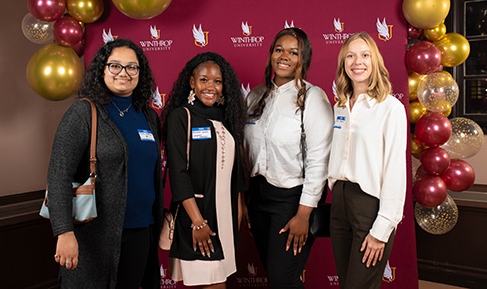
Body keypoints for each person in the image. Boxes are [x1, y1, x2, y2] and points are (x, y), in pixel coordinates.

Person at [46, 38, 163, 288]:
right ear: (102, 69)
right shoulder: (83, 113)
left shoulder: (149, 116)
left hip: (141, 231)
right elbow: (59, 175)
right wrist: (64, 231)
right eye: (115, 66)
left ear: (140, 73)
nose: (124, 73)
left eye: (132, 67)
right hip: (94, 236)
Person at [243, 27, 333, 288]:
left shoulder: (313, 97)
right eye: (279, 49)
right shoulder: (256, 95)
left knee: (283, 280)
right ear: (271, 53)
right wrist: (246, 199)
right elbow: (247, 153)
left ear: (303, 59)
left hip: (292, 201)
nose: (284, 56)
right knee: (275, 276)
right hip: (258, 198)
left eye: (294, 52)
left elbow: (319, 159)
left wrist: (304, 213)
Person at [327, 32, 407, 289]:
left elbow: (396, 170)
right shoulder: (339, 106)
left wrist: (382, 228)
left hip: (368, 204)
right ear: (343, 63)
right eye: (350, 55)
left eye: (364, 55)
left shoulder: (390, 108)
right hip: (339, 201)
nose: (357, 61)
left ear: (375, 62)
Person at [161, 52, 246, 288]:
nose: (211, 87)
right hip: (198, 219)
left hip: (225, 220)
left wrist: (237, 212)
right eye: (204, 80)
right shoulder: (182, 116)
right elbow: (178, 173)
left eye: (217, 81)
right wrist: (197, 222)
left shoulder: (226, 119)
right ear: (192, 82)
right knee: (211, 283)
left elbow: (234, 171)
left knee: (220, 282)